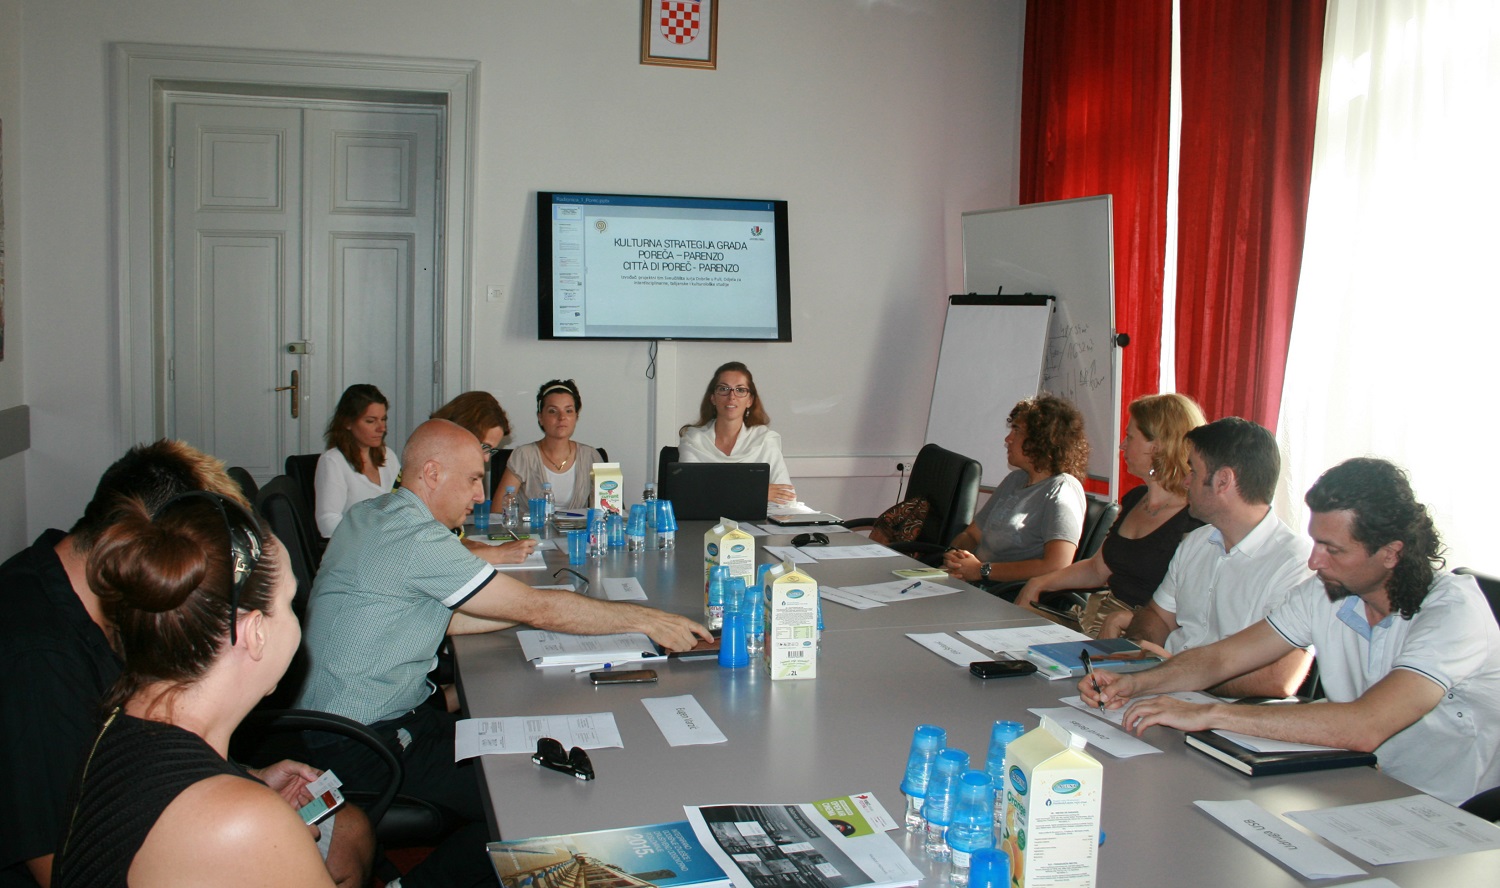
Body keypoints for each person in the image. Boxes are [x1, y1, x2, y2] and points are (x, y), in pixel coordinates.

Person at [295, 420, 712, 868]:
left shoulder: (375, 513)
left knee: (522, 749)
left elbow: (452, 618)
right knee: (543, 797)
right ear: (432, 473)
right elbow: (535, 608)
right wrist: (646, 619)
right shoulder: (417, 539)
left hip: (355, 723)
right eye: (474, 479)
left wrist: (542, 609)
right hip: (367, 744)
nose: (480, 496)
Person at [0, 440, 369, 888]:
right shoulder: (35, 656)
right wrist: (255, 823)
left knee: (349, 832)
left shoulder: (132, 700)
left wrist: (245, 778)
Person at [1082, 458, 1500, 806]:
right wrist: (1137, 683)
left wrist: (1211, 714)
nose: (1315, 561)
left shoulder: (1453, 612)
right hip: (1354, 781)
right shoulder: (1327, 591)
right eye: (1315, 542)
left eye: (1333, 549)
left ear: (1391, 552)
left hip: (1444, 807)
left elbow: (1366, 724)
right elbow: (1224, 658)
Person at [1104, 417, 1314, 698]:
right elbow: (1158, 616)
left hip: (1223, 708)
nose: (1185, 480)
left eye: (1193, 470)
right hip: (1166, 687)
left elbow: (1278, 678)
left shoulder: (1295, 563)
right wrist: (1141, 649)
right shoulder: (1197, 541)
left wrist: (1177, 673)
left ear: (1223, 480)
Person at [1014, 394, 1207, 634]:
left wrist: (1125, 621)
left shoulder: (1194, 519)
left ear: (1156, 446)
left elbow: (1189, 607)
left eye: (1130, 437)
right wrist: (1040, 582)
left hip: (1140, 634)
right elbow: (1097, 569)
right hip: (1098, 619)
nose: (1122, 445)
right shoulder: (1136, 498)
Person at [943, 395, 1089, 585]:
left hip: (1003, 593)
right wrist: (955, 556)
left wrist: (981, 570)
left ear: (1042, 439)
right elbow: (972, 534)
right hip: (974, 582)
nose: (1008, 439)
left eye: (1017, 430)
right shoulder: (1015, 479)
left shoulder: (1063, 490)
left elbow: (1057, 565)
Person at [431, 390, 536, 565]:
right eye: (484, 447)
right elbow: (431, 555)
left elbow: (450, 537)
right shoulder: (433, 469)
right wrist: (499, 554)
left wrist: (474, 545)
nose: (486, 458)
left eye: (491, 451)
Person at [678, 362, 796, 504]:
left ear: (750, 400)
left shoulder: (765, 440)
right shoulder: (693, 440)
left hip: (757, 518)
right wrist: (757, 491)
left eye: (740, 390)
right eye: (724, 389)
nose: (731, 396)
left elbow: (785, 497)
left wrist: (720, 491)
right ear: (713, 398)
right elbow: (689, 492)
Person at [498, 379, 605, 510]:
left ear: (576, 417)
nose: (561, 417)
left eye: (568, 411)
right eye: (553, 411)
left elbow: (606, 509)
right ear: (540, 417)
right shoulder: (524, 456)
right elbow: (498, 511)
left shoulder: (591, 456)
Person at [314, 383, 400, 537]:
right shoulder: (333, 462)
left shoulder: (388, 456)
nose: (382, 428)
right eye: (371, 421)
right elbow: (327, 523)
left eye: (383, 419)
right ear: (347, 422)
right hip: (356, 546)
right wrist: (373, 535)